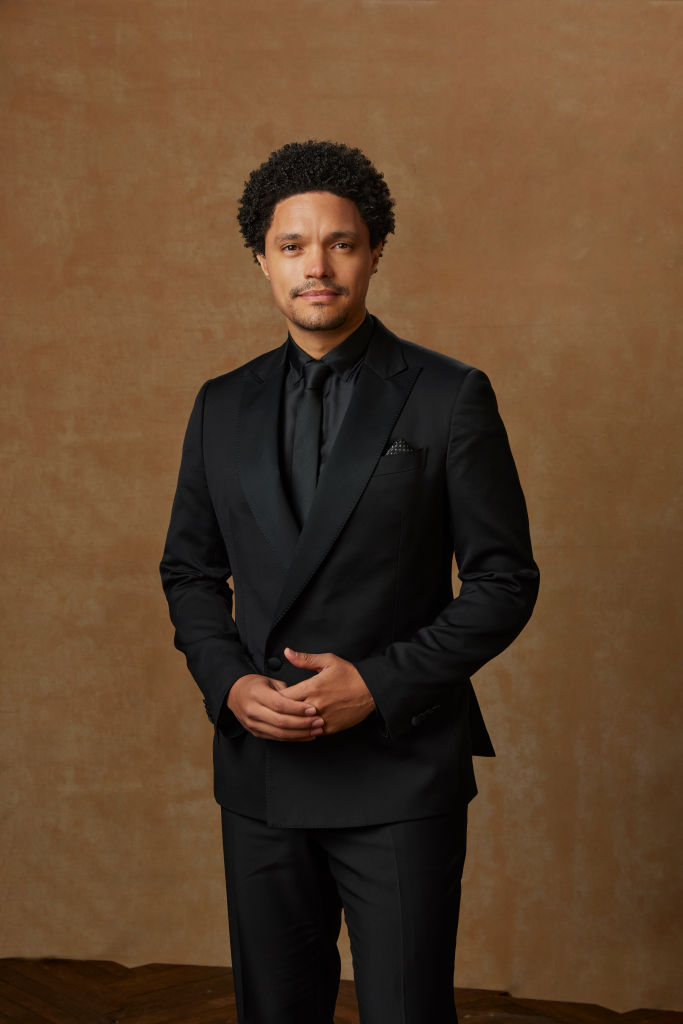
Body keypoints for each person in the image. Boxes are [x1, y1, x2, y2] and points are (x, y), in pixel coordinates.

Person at [160, 140, 539, 1024]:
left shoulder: (449, 396)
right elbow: (187, 570)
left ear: (374, 252)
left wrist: (378, 682)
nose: (316, 266)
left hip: (399, 772)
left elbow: (502, 580)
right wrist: (229, 684)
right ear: (261, 259)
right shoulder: (221, 403)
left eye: (341, 242)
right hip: (261, 771)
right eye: (292, 246)